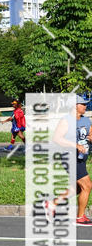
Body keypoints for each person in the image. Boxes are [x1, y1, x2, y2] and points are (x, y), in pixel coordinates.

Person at [45, 94, 92, 225]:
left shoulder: (86, 120)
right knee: (87, 185)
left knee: (77, 188)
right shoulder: (66, 121)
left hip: (81, 158)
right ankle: (80, 217)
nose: (85, 106)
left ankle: (52, 204)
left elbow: (90, 134)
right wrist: (75, 145)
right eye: (83, 104)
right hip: (69, 157)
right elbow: (57, 138)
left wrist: (90, 138)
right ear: (74, 106)